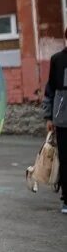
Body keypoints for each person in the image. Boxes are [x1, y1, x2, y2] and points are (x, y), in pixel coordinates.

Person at [43, 25, 67, 214]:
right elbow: (50, 89)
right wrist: (48, 116)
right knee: (65, 159)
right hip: (63, 118)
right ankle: (66, 198)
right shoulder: (58, 60)